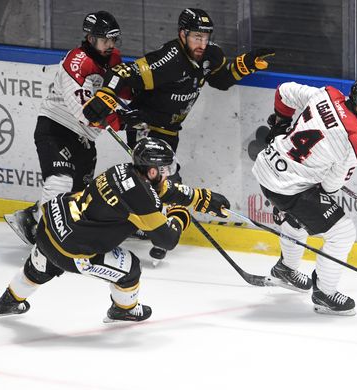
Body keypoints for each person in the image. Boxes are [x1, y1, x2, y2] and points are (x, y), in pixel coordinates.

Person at [82, 7, 274, 261]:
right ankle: (160, 231)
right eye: (196, 37)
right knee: (164, 176)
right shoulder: (169, 59)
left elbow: (221, 79)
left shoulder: (210, 55)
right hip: (146, 125)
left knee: (157, 182)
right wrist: (106, 96)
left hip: (170, 129)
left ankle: (149, 224)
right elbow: (121, 73)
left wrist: (247, 64)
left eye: (205, 37)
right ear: (182, 34)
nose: (202, 43)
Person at [0, 137, 230, 322]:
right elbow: (167, 240)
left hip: (51, 223)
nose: (167, 174)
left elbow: (158, 191)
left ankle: (7, 302)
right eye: (164, 169)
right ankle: (123, 310)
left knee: (43, 263)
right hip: (72, 249)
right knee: (131, 269)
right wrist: (179, 214)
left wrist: (200, 197)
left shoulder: (123, 170)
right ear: (152, 170)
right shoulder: (142, 196)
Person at [251, 76, 357, 316]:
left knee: (302, 215)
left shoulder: (326, 94)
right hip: (287, 187)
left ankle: (286, 270)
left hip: (266, 165)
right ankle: (325, 294)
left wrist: (281, 125)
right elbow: (331, 185)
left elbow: (284, 91)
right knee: (343, 232)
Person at [4, 11, 131, 246]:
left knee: (77, 198)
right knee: (60, 181)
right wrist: (122, 121)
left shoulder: (113, 59)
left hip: (84, 139)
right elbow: (86, 114)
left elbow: (124, 91)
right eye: (105, 40)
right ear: (90, 38)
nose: (110, 45)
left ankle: (31, 217)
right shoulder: (77, 62)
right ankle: (46, 238)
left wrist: (134, 88)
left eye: (114, 40)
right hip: (56, 128)